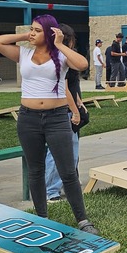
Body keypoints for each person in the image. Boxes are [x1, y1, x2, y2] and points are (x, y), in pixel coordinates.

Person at [0, 16, 98, 234]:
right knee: (36, 170)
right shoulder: (24, 54)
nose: (32, 33)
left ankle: (83, 220)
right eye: (31, 29)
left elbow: (83, 64)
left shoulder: (60, 55)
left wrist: (58, 43)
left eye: (37, 30)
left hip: (57, 118)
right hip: (28, 118)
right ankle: (42, 218)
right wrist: (24, 35)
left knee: (67, 171)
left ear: (50, 33)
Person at [43, 25, 86, 203]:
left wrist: (80, 103)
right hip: (62, 111)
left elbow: (73, 83)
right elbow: (64, 87)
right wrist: (75, 111)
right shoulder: (58, 56)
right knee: (58, 153)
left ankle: (66, 185)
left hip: (70, 107)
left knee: (71, 152)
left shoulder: (68, 55)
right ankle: (52, 191)